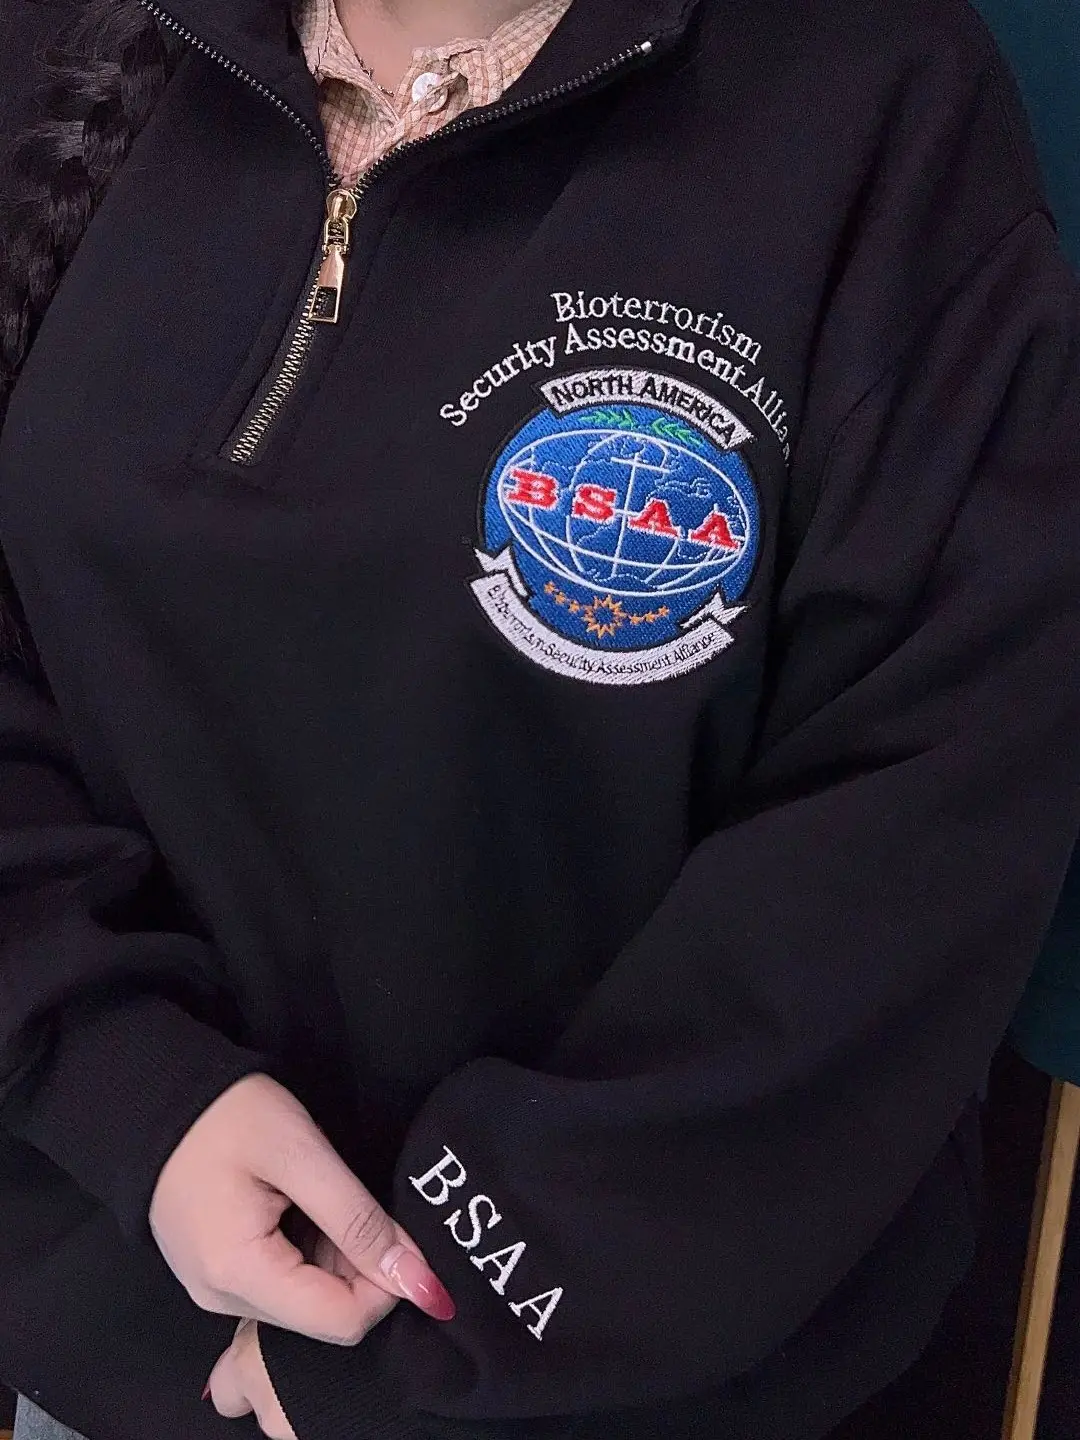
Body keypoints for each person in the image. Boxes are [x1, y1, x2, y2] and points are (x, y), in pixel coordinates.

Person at [1, 0, 1079, 1438]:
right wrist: (129, 1088)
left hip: (625, 1373)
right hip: (123, 1301)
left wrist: (458, 1303)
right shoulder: (62, 37)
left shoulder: (882, 108)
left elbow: (911, 845)